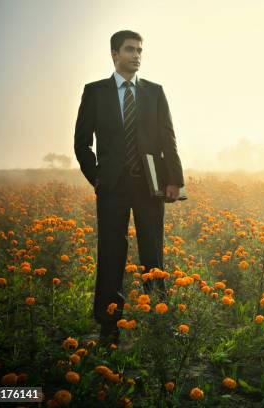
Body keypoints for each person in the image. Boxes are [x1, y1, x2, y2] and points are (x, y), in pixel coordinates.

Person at [74, 30, 185, 346]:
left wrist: (174, 180)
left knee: (153, 253)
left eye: (140, 50)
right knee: (111, 254)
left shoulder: (154, 92)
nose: (136, 55)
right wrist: (96, 177)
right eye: (130, 50)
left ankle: (157, 323)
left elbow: (168, 138)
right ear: (114, 54)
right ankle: (109, 325)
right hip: (111, 188)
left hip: (151, 186)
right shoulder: (94, 92)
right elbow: (82, 143)